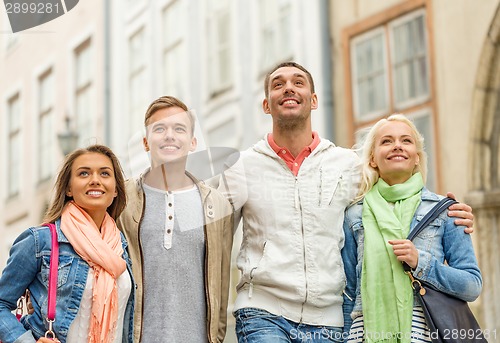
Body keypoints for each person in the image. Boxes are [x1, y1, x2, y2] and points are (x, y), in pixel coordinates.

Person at [217, 62, 475, 343]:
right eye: (278, 84)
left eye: (298, 82)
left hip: (328, 320)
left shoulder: (348, 165)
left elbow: (398, 193)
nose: (289, 88)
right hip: (263, 311)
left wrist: (449, 212)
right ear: (266, 105)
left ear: (314, 100)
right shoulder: (241, 166)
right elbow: (213, 239)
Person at [342, 114, 482, 342]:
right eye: (386, 141)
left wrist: (421, 263)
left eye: (406, 141)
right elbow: (348, 292)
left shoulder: (446, 210)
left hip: (424, 332)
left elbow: (472, 285)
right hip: (364, 334)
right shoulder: (354, 215)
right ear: (373, 159)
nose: (397, 145)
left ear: (417, 158)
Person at [117, 96, 233, 343]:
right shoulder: (122, 201)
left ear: (192, 142)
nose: (169, 136)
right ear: (146, 142)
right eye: (159, 129)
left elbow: (221, 282)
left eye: (179, 129)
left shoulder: (215, 204)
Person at [0, 144, 134, 343]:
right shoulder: (41, 241)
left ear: (115, 190)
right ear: (69, 188)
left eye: (105, 174)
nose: (95, 180)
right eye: (84, 174)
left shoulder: (122, 246)